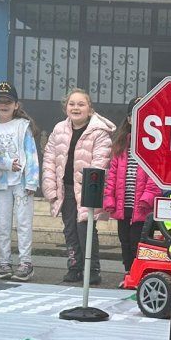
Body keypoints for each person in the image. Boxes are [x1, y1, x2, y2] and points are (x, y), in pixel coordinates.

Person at [41, 88, 114, 285]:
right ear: (66, 107)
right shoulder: (58, 130)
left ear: (90, 110)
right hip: (66, 189)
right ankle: (74, 267)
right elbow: (49, 159)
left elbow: (101, 162)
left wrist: (91, 186)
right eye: (72, 104)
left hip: (88, 190)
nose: (76, 107)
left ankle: (92, 269)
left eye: (81, 104)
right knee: (70, 229)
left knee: (86, 228)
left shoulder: (100, 133)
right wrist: (50, 188)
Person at [0, 81, 40, 281]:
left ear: (16, 105)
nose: (4, 105)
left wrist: (32, 181)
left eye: (8, 101)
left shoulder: (23, 126)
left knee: (23, 222)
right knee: (3, 223)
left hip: (22, 182)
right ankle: (4, 261)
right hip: (1, 182)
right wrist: (7, 164)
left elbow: (31, 154)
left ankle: (25, 262)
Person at [103, 96, 160, 282]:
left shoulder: (155, 145)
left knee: (140, 242)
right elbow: (112, 174)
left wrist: (147, 197)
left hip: (142, 206)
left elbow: (156, 176)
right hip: (123, 204)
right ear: (128, 119)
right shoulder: (121, 143)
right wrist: (109, 198)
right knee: (124, 240)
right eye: (134, 115)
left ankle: (140, 275)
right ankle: (128, 273)